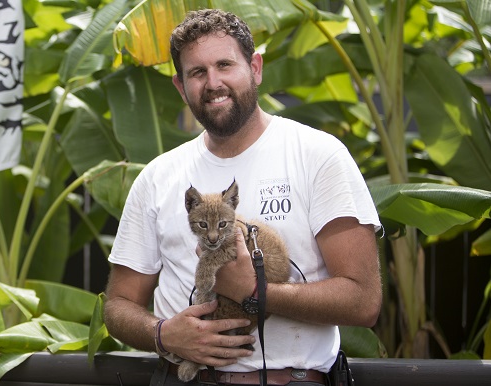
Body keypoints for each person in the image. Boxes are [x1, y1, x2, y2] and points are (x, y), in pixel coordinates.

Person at [103, 8, 382, 386]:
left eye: (224, 64)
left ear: (255, 68)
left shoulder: (317, 155)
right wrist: (164, 333)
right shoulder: (158, 176)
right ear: (180, 87)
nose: (213, 82)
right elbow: (118, 305)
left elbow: (364, 301)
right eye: (197, 73)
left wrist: (254, 291)